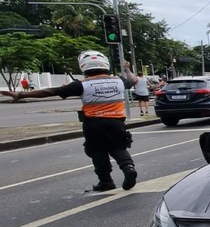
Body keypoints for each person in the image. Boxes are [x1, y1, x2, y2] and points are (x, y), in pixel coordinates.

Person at [2, 52, 139, 192]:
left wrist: (21, 94)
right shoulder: (119, 81)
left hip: (94, 124)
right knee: (118, 147)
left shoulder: (81, 85)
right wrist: (127, 69)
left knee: (97, 150)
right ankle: (128, 168)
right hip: (116, 122)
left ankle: (106, 181)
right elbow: (134, 80)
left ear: (83, 66)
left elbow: (50, 91)